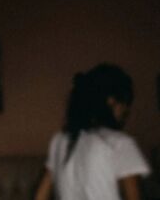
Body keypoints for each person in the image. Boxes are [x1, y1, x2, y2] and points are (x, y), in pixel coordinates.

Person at [34, 63, 151, 200]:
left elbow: (40, 196)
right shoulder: (120, 143)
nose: (127, 110)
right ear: (111, 101)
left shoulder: (60, 140)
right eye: (125, 102)